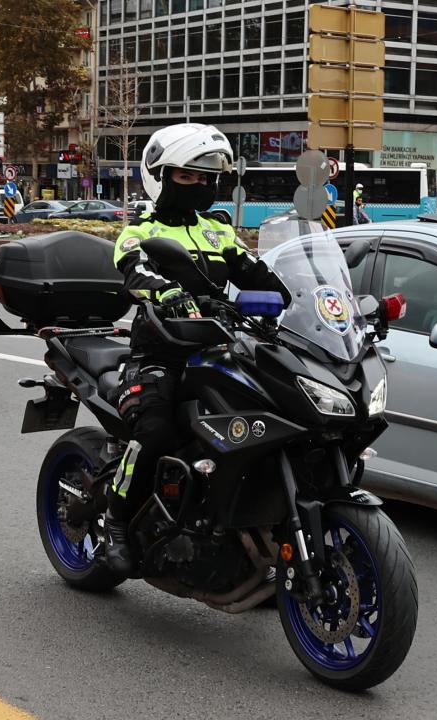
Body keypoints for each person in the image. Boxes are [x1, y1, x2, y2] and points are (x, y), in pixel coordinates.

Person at [106, 123, 288, 575]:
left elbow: (264, 279)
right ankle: (115, 522)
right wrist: (168, 294)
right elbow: (136, 271)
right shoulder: (138, 232)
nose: (200, 186)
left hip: (221, 351)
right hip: (160, 354)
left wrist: (306, 298)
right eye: (188, 177)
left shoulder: (219, 233)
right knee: (155, 433)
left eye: (207, 179)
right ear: (160, 176)